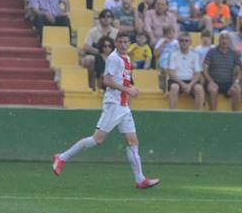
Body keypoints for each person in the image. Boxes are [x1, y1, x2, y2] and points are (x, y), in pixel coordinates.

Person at [53, 31, 161, 187]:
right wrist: (127, 90)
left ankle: (140, 179)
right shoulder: (113, 58)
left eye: (126, 42)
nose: (123, 45)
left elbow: (122, 80)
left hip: (123, 106)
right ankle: (62, 157)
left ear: (129, 43)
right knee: (97, 139)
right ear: (116, 43)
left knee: (132, 141)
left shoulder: (126, 58)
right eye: (120, 42)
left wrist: (131, 88)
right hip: (113, 104)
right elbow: (107, 81)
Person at [202, 30, 242, 111]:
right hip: (213, 81)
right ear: (219, 40)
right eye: (222, 39)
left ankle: (236, 116)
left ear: (230, 41)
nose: (224, 41)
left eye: (227, 39)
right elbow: (205, 69)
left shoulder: (234, 53)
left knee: (237, 89)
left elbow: (239, 72)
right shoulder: (211, 52)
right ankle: (213, 115)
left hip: (228, 83)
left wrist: (236, 83)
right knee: (213, 89)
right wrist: (210, 81)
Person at [165, 31, 205, 109]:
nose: (184, 42)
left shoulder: (195, 54)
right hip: (176, 80)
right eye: (182, 40)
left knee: (199, 88)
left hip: (191, 80)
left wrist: (190, 85)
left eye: (186, 41)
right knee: (174, 87)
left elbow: (198, 73)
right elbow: (171, 73)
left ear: (190, 42)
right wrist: (182, 84)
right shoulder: (173, 54)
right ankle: (173, 113)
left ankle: (198, 114)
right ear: (178, 42)